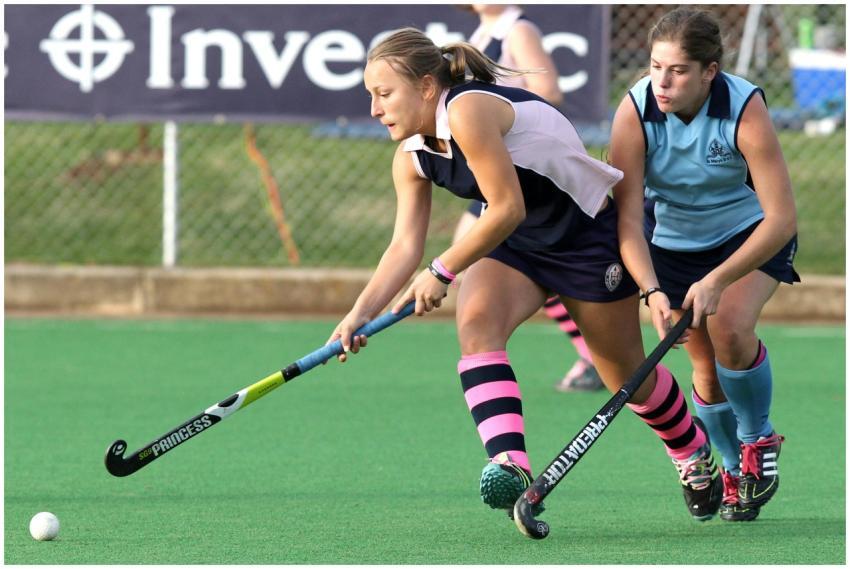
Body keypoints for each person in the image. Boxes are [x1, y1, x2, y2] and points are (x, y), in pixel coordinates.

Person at [328, 27, 722, 522]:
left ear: (427, 86)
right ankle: (509, 462)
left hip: (586, 237)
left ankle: (690, 449)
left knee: (625, 374)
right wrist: (356, 317)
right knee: (477, 325)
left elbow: (507, 206)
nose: (374, 109)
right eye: (370, 96)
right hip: (518, 245)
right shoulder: (411, 156)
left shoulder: (466, 110)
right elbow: (404, 245)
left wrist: (442, 270)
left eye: (384, 94)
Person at [610, 8, 798, 522]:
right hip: (672, 246)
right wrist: (651, 291)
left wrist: (717, 279)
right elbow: (626, 224)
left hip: (749, 234)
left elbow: (782, 218)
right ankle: (733, 468)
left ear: (709, 71)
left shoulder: (743, 106)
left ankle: (758, 439)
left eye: (678, 71)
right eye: (655, 68)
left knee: (731, 329)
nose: (663, 83)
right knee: (705, 371)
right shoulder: (635, 111)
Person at [453, 5, 604, 392]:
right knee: (470, 262)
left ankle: (593, 353)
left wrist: (496, 116)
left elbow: (548, 91)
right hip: (493, 162)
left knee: (471, 259)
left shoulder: (517, 30)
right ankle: (590, 352)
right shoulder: (482, 36)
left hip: (520, 164)